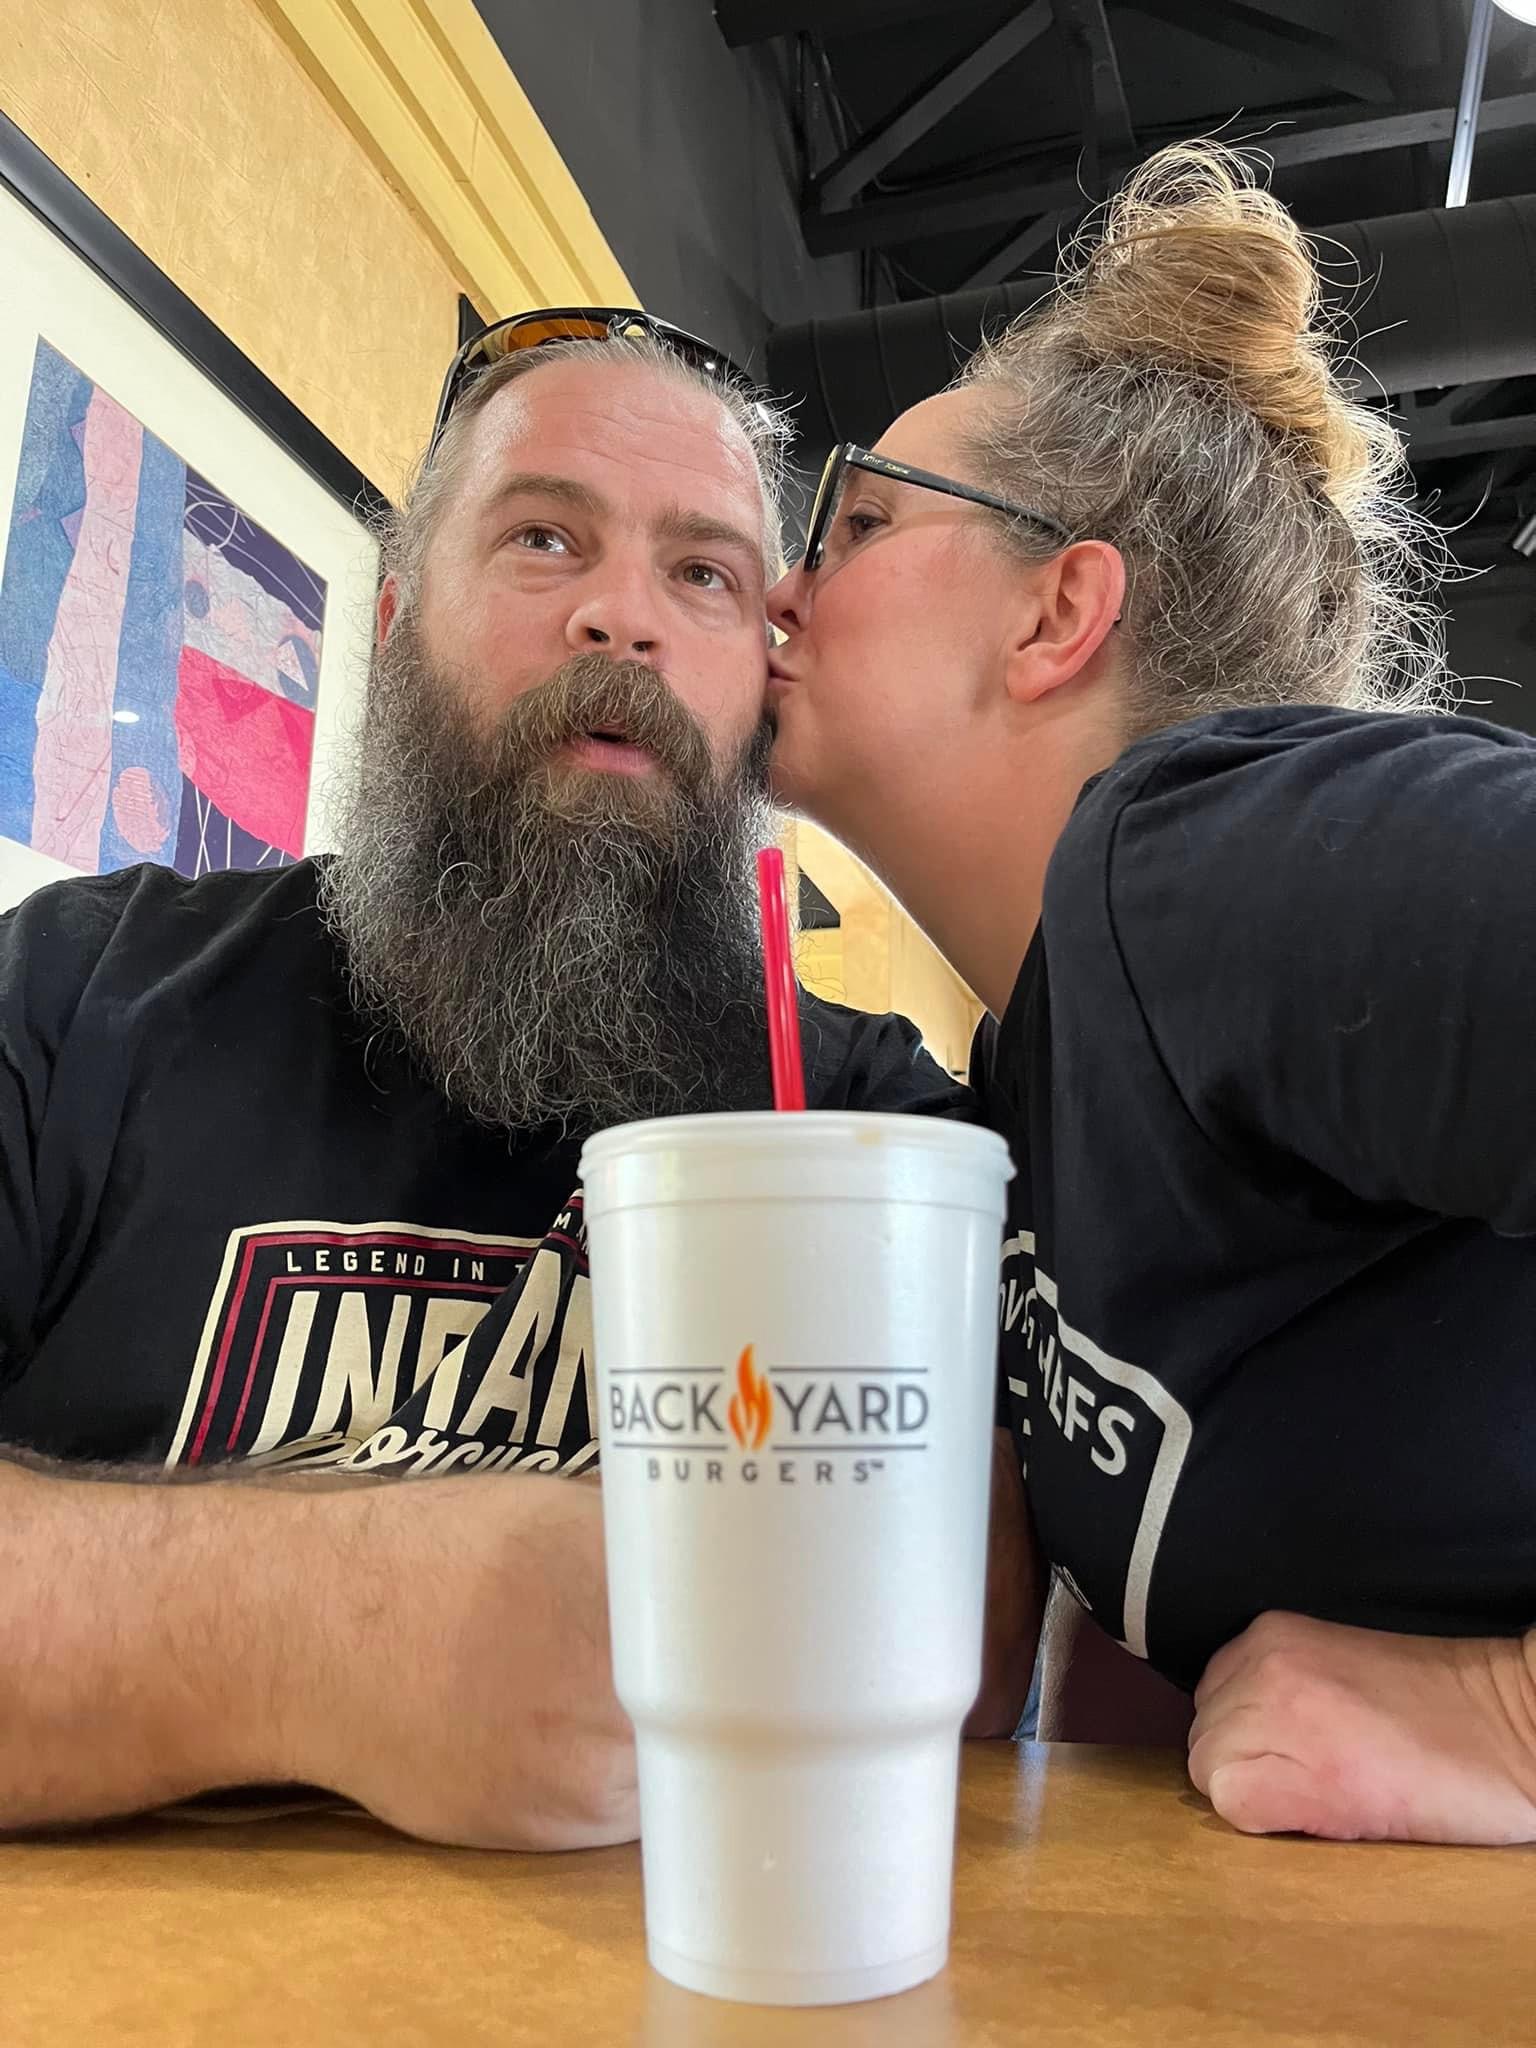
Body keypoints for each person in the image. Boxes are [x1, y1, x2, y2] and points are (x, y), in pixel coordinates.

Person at [0, 313, 1032, 1848]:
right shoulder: (83, 994)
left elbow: (982, 1641)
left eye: (704, 574)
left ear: (763, 679)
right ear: (401, 616)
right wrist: (315, 1626)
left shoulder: (871, 1128)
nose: (624, 618)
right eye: (546, 538)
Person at [765, 144, 1536, 1847]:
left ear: (1056, 611)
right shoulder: (1033, 1073)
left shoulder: (1201, 862)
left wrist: (1507, 1715)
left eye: (868, 521)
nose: (783, 584)